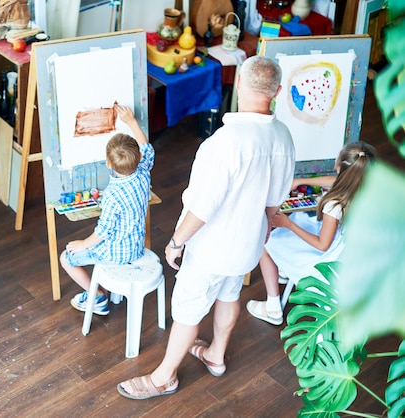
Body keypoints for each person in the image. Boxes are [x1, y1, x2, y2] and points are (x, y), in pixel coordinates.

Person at [117, 55, 296, 399]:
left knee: (188, 310)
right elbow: (274, 201)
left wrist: (175, 243)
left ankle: (163, 378)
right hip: (250, 244)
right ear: (278, 91)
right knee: (230, 293)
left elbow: (200, 210)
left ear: (240, 84)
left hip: (213, 247)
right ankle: (215, 355)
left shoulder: (223, 144)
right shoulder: (283, 137)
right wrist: (263, 232)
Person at [247, 141, 378, 325]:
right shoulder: (365, 189)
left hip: (326, 263)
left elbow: (322, 245)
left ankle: (273, 308)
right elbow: (336, 181)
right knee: (301, 219)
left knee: (266, 242)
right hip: (349, 256)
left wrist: (286, 224)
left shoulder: (335, 205)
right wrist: (302, 181)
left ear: (339, 166)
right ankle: (284, 268)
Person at [60, 104, 154, 316]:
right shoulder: (143, 172)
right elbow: (147, 147)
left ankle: (98, 296)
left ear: (108, 165)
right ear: (139, 157)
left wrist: (83, 244)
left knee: (66, 258)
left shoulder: (113, 194)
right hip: (136, 245)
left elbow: (104, 232)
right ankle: (98, 294)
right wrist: (131, 122)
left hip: (116, 252)